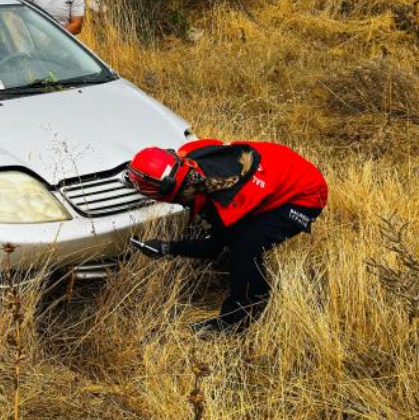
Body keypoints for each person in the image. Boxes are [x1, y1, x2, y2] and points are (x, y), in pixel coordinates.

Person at [127, 139, 328, 335]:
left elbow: (212, 248)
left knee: (244, 246)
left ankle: (240, 316)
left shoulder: (226, 203)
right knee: (238, 236)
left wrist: (167, 247)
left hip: (306, 194)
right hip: (286, 165)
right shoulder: (190, 152)